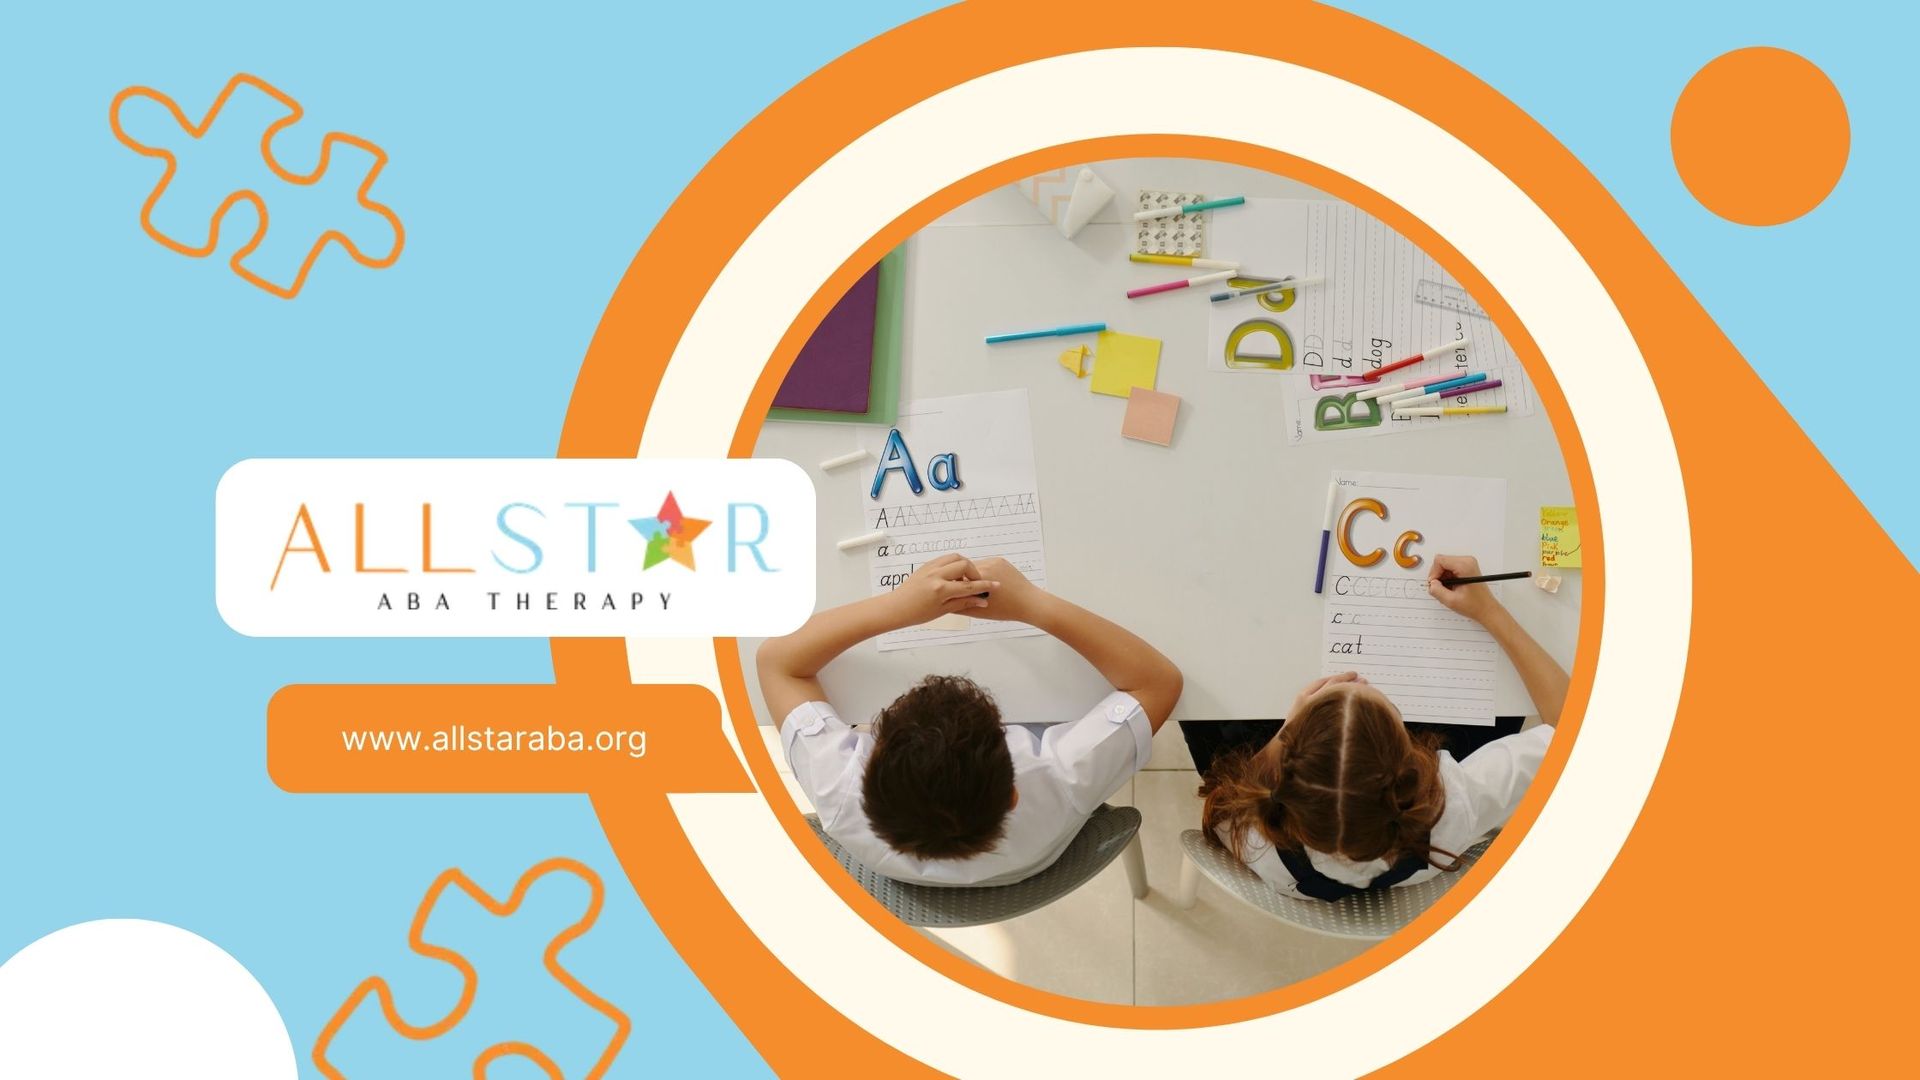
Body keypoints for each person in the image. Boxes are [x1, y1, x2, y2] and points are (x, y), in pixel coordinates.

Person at [757, 553, 1182, 886]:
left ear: (866, 779)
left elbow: (777, 661)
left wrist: (897, 607)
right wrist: (1033, 604)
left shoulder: (840, 793)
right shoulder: (1059, 778)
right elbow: (1157, 683)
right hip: (1030, 859)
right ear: (1014, 794)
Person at [1198, 555, 1569, 901]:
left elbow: (1223, 799)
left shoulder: (1256, 841)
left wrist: (1285, 731)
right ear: (1413, 756)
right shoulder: (1456, 802)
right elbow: (1575, 729)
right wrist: (1490, 611)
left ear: (1283, 774)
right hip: (1428, 859)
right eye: (1387, 705)